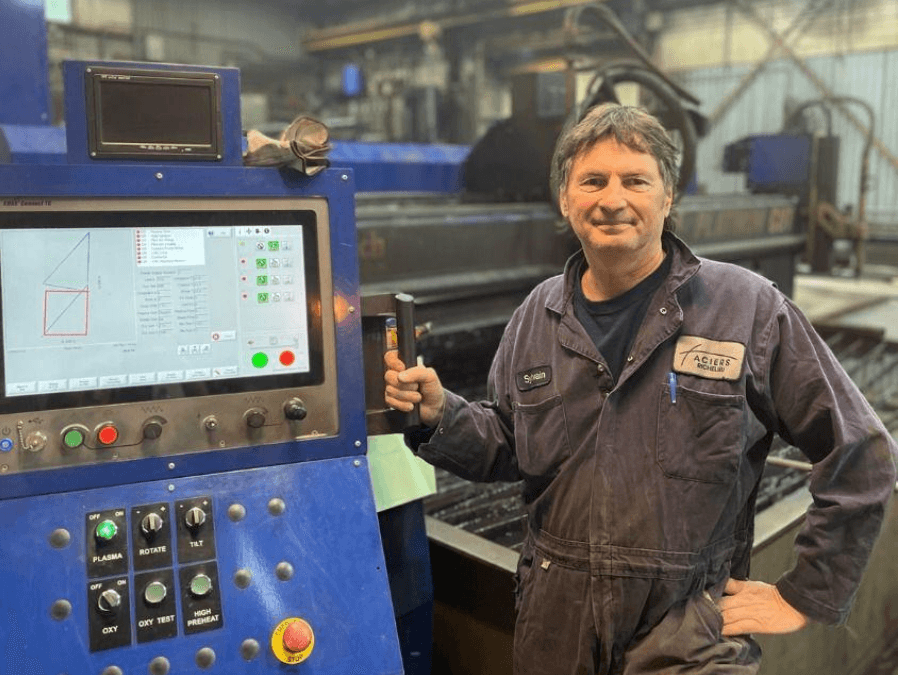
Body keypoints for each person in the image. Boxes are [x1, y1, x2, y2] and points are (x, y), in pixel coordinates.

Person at [384, 103, 898, 675]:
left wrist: (805, 595)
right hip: (556, 630)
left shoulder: (745, 307)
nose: (612, 199)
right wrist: (440, 415)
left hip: (688, 637)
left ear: (668, 196)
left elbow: (862, 451)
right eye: (592, 181)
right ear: (565, 198)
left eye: (635, 180)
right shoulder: (537, 315)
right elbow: (511, 445)